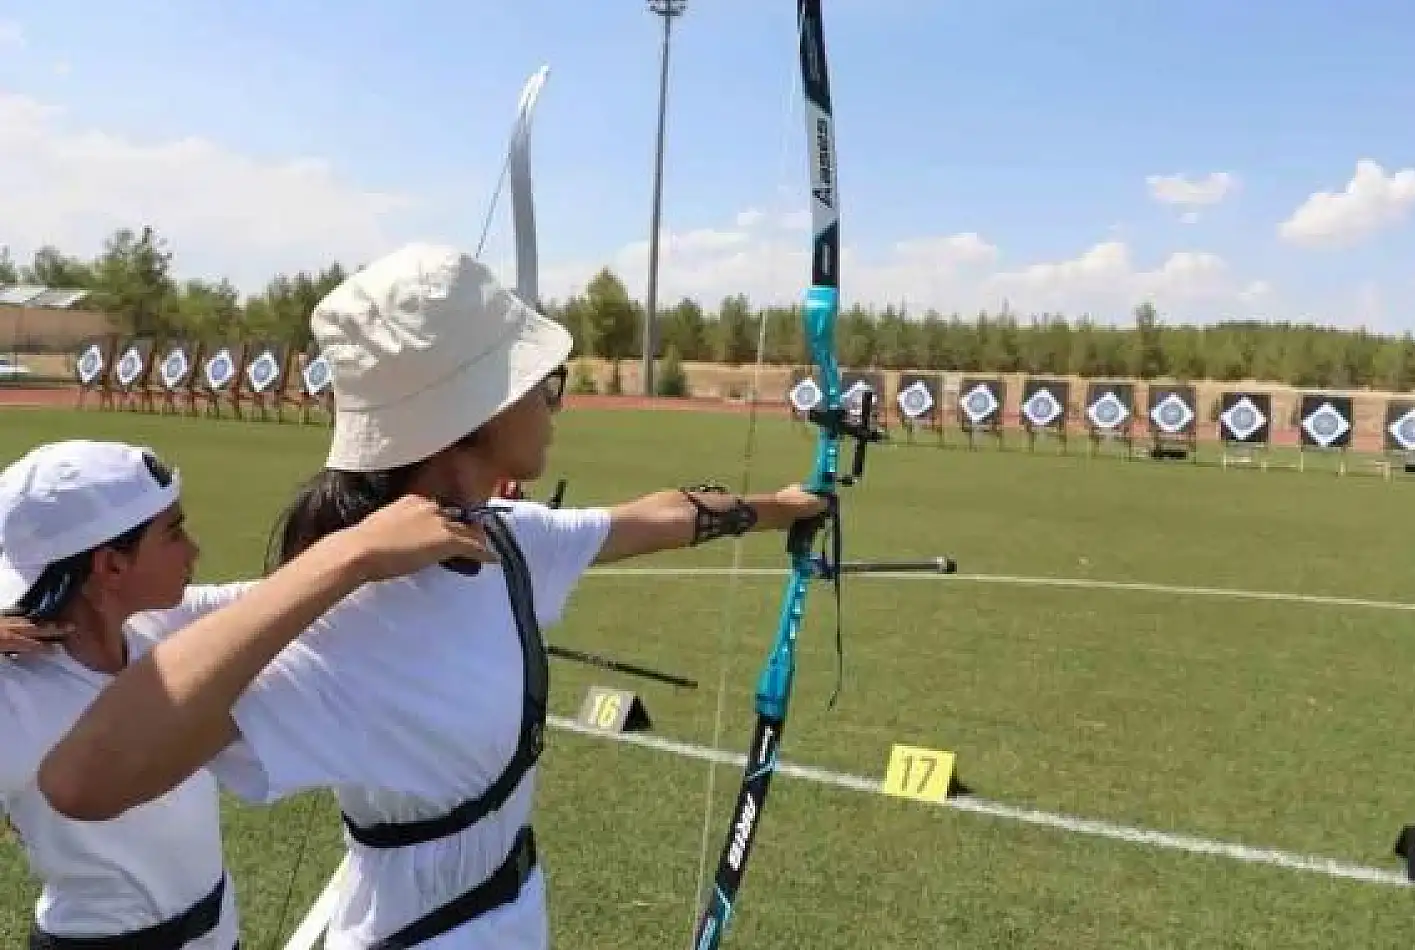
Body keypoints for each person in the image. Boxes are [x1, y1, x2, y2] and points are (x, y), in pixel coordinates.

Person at [36, 243, 829, 948]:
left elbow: (648, 518)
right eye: (541, 386)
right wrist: (343, 560)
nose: (555, 403)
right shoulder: (338, 620)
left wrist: (788, 506)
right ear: (474, 415)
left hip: (511, 910)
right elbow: (83, 780)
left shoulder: (510, 536)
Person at [0, 439, 255, 949]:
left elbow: (273, 599)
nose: (194, 550)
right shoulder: (14, 695)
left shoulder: (161, 628)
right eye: (174, 533)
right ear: (110, 567)